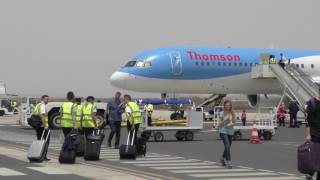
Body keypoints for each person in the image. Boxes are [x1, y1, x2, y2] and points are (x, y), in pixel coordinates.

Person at [305, 91, 320, 180]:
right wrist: (308, 134)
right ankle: (310, 173)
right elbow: (308, 120)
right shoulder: (312, 102)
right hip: (315, 134)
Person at [33, 95, 51, 161]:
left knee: (39, 140)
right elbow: (42, 115)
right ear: (42, 99)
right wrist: (44, 125)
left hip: (38, 125)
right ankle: (44, 156)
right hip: (42, 126)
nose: (47, 101)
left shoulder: (38, 105)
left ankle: (37, 154)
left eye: (48, 99)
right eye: (46, 99)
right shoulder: (42, 105)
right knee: (46, 141)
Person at [218, 100, 235, 169]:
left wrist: (232, 123)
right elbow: (220, 124)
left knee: (228, 147)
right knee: (227, 146)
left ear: (231, 106)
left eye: (229, 105)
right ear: (224, 106)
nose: (228, 106)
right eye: (226, 105)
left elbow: (234, 122)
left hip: (230, 131)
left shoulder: (233, 113)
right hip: (223, 131)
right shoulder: (222, 113)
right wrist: (225, 120)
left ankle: (222, 158)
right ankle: (229, 162)